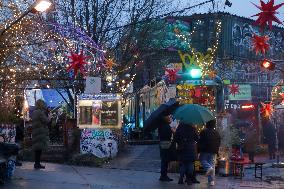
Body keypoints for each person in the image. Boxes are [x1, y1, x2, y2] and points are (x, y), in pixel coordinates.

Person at [198, 119, 221, 186]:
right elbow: (219, 142)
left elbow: (200, 141)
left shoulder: (204, 131)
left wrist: (198, 150)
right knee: (211, 164)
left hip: (205, 150)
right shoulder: (216, 132)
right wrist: (217, 151)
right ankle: (211, 181)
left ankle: (208, 168)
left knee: (202, 160)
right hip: (213, 151)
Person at [31, 100, 49, 169]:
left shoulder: (35, 112)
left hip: (36, 132)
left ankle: (37, 163)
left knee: (37, 149)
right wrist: (49, 117)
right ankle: (37, 164)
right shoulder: (40, 112)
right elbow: (46, 121)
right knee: (39, 149)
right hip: (40, 132)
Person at [157, 115, 174, 182]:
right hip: (166, 144)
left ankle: (163, 175)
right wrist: (172, 131)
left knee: (164, 160)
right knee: (165, 160)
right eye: (169, 118)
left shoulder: (161, 126)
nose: (170, 118)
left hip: (162, 143)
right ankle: (164, 175)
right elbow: (168, 135)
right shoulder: (166, 127)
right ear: (166, 120)